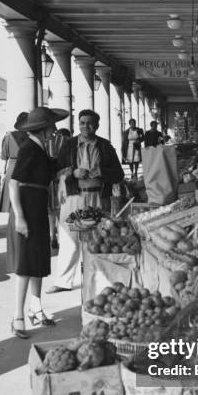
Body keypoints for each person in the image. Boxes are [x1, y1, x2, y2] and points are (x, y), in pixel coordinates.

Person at [7, 106, 70, 338]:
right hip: (27, 208)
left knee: (39, 260)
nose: (54, 130)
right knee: (26, 264)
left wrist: (64, 174)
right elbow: (14, 184)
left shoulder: (39, 148)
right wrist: (20, 217)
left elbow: (52, 169)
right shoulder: (29, 149)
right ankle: (17, 317)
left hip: (37, 206)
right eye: (52, 126)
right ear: (42, 129)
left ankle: (36, 308)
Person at [46, 109, 124, 294]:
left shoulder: (105, 146)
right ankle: (63, 281)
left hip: (97, 196)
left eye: (89, 123)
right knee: (69, 238)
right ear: (78, 124)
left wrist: (102, 173)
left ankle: (100, 279)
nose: (85, 126)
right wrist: (73, 173)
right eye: (82, 123)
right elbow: (57, 171)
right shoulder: (69, 145)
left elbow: (119, 174)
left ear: (96, 125)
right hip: (74, 196)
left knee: (97, 238)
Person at [0, 112, 29, 213]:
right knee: (24, 203)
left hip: (11, 169)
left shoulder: (8, 136)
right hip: (26, 168)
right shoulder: (30, 136)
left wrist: (3, 174)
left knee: (12, 205)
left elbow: (4, 157)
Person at [48, 127, 71, 250]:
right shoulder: (68, 143)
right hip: (63, 181)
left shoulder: (48, 142)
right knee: (62, 211)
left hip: (50, 182)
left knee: (51, 212)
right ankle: (62, 237)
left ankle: (53, 236)